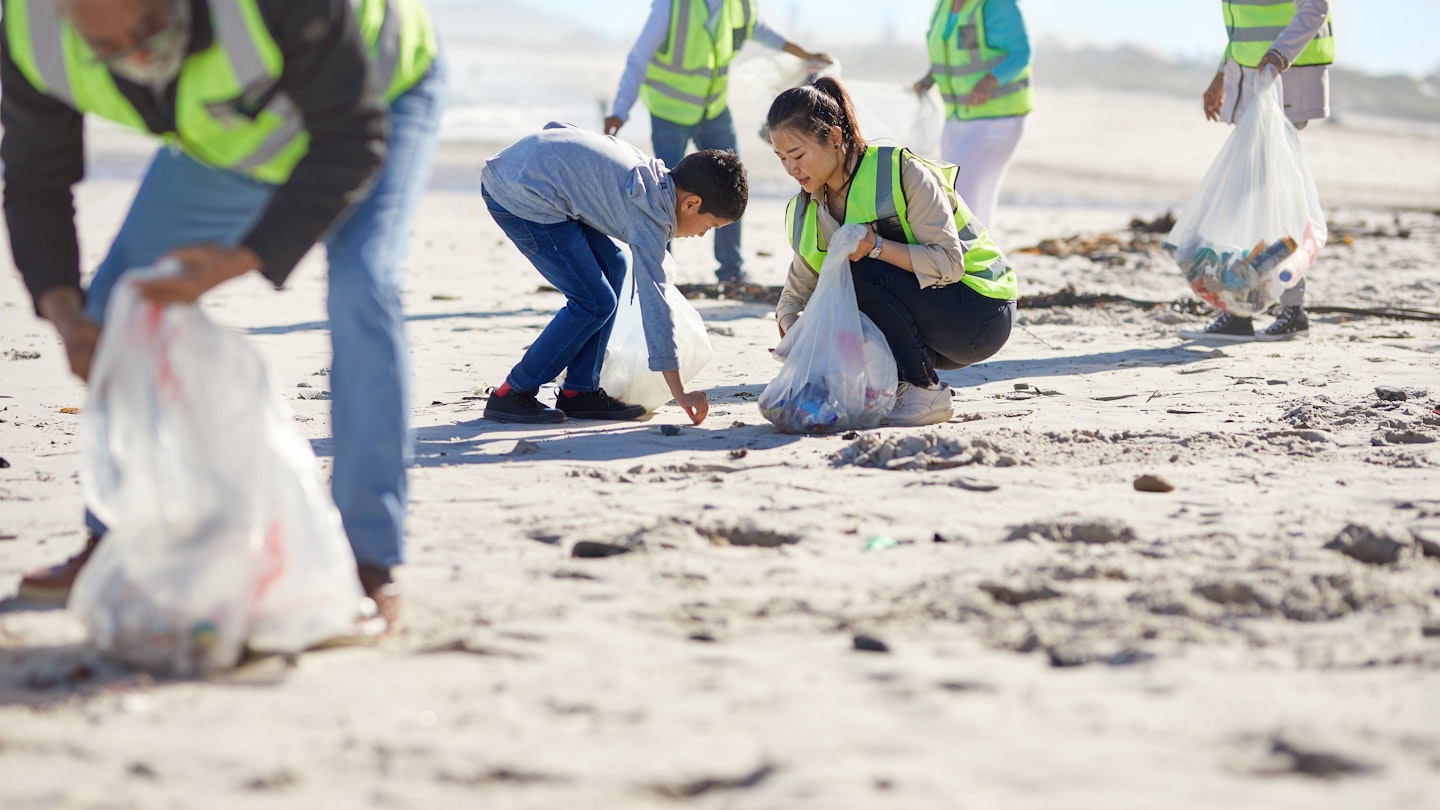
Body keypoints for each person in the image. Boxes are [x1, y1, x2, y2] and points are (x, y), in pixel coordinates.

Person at [3, 0, 446, 635]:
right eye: (109, 46)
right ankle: (118, 540)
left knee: (362, 285)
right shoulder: (29, 31)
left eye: (149, 30)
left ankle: (370, 561)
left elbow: (351, 139)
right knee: (114, 306)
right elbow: (34, 180)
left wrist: (245, 257)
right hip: (229, 134)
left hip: (378, 91)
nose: (135, 56)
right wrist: (65, 315)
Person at [769, 78, 1018, 427]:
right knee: (839, 292)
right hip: (927, 331)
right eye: (781, 158)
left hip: (981, 312)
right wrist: (794, 332)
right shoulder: (808, 208)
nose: (791, 169)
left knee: (858, 271)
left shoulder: (899, 171)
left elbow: (949, 263)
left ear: (835, 138)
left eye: (798, 155)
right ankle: (898, 387)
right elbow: (793, 298)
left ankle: (925, 390)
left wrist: (877, 247)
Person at [479, 122, 746, 426]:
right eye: (708, 227)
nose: (701, 235)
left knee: (615, 265)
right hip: (519, 195)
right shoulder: (650, 218)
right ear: (691, 203)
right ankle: (511, 393)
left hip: (530, 172)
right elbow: (655, 306)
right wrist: (679, 391)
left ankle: (579, 391)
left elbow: (562, 129)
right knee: (594, 301)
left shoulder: (653, 177)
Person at [604, 0, 830, 285]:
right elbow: (639, 57)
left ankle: (731, 270)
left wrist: (806, 54)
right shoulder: (672, 5)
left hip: (713, 109)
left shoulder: (741, 6)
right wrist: (620, 110)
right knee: (668, 194)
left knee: (732, 185)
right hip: (669, 110)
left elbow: (764, 33)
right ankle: (659, 272)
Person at [1182, 0, 1333, 343]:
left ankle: (1265, 309)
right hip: (1258, 81)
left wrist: (1281, 54)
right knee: (1259, 197)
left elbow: (1316, 7)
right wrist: (1223, 74)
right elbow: (1244, 28)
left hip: (1283, 80)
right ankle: (1269, 309)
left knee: (1261, 199)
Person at [912, 0, 1032, 231]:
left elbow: (1022, 53)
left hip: (998, 118)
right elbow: (949, 52)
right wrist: (930, 78)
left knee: (956, 193)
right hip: (958, 116)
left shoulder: (997, 5)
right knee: (975, 199)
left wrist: (990, 81)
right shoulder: (944, 5)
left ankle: (965, 258)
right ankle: (983, 259)